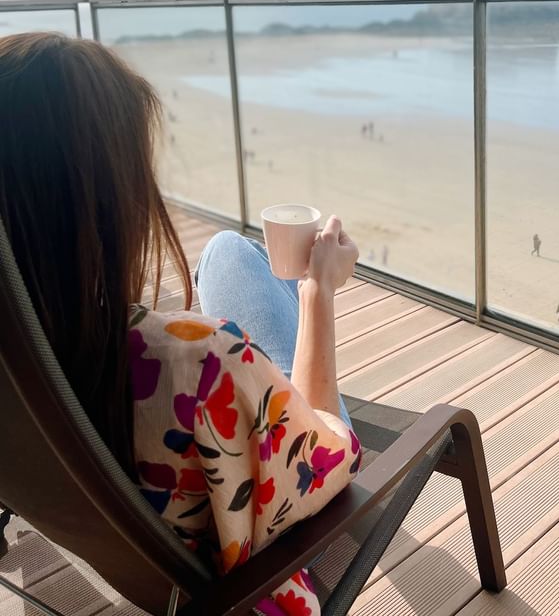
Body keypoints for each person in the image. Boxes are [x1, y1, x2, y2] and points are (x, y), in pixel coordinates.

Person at [0, 33, 361, 616]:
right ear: (107, 200)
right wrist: (320, 292)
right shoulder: (197, 366)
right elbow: (335, 458)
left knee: (226, 253)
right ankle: (305, 288)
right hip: (263, 552)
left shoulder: (27, 356)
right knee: (246, 266)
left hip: (142, 499)